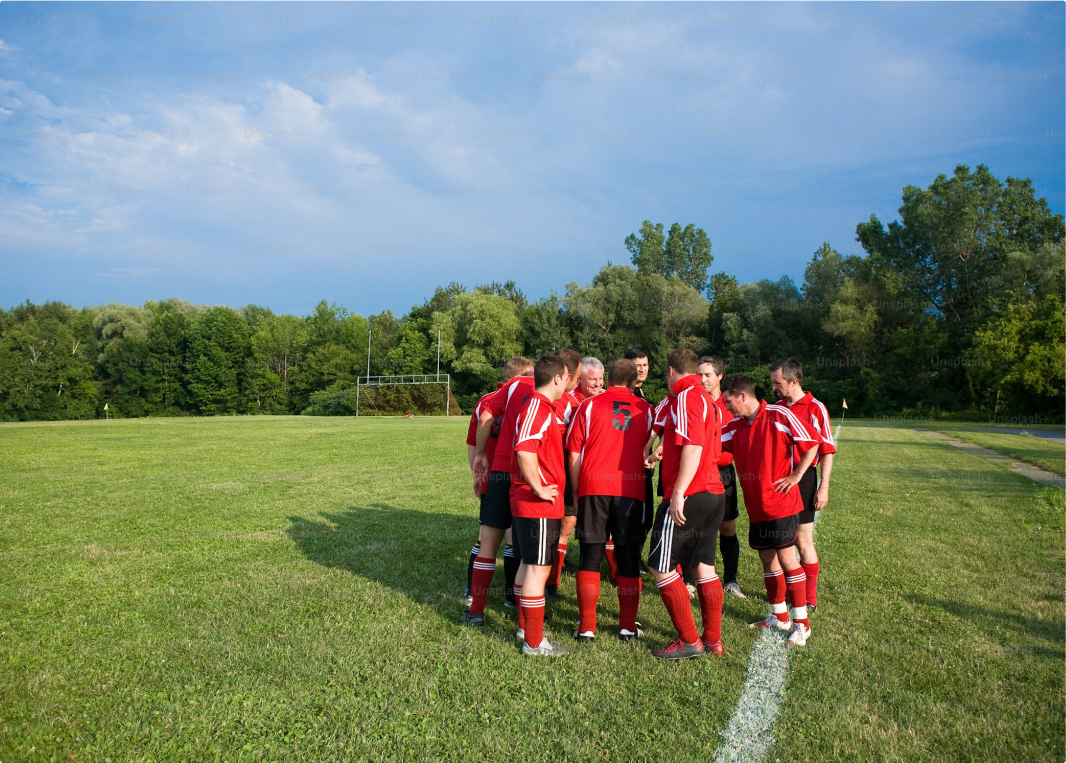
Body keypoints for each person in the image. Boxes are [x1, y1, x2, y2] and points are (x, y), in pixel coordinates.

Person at [720, 374, 820, 647]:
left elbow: (813, 443)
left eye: (728, 401)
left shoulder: (780, 415)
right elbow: (708, 444)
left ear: (742, 396)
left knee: (788, 560)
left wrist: (797, 475)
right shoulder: (734, 427)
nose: (726, 406)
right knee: (767, 559)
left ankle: (802, 625)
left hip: (781, 504)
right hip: (757, 509)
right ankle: (780, 616)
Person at [644, 348, 727, 660]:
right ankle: (713, 640)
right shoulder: (705, 397)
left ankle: (689, 640)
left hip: (691, 492)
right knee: (703, 566)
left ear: (670, 371)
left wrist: (678, 491)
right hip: (713, 491)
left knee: (659, 566)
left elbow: (693, 444)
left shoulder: (686, 396)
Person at [566, 358, 653, 642]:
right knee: (628, 558)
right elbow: (651, 448)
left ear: (608, 379)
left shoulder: (588, 406)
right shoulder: (646, 409)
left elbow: (574, 455)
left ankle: (587, 628)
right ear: (632, 382)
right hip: (630, 492)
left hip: (594, 488)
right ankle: (627, 627)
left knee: (590, 556)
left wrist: (578, 492)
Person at [463, 359, 536, 625]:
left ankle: (475, 603)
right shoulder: (536, 392)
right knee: (515, 543)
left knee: (487, 540)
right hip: (521, 476)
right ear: (524, 375)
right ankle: (514, 604)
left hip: (495, 477)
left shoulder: (487, 400)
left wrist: (478, 471)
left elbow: (473, 439)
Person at [510, 355, 572, 656]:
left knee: (527, 565)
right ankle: (534, 643)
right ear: (558, 378)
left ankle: (525, 628)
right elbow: (524, 450)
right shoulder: (538, 407)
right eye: (567, 377)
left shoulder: (540, 407)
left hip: (529, 504)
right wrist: (538, 487)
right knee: (538, 569)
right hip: (536, 505)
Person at [769, 358, 835, 612]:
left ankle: (809, 598)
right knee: (781, 540)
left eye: (778, 383)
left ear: (794, 381)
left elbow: (826, 450)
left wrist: (824, 487)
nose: (774, 387)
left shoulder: (816, 408)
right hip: (779, 479)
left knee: (803, 540)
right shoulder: (777, 407)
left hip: (804, 478)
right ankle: (787, 593)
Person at [697, 356, 745, 599]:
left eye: (707, 375)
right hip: (697, 472)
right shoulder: (693, 400)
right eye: (700, 374)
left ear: (720, 376)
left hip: (722, 473)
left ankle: (730, 580)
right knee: (696, 527)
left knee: (727, 527)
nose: (702, 379)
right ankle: (691, 579)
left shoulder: (730, 403)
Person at [545, 348, 584, 600]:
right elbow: (575, 447)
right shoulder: (570, 403)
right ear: (568, 374)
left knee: (549, 528)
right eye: (579, 376)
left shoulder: (537, 396)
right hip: (561, 471)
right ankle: (550, 581)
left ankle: (546, 579)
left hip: (538, 471)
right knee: (564, 526)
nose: (579, 382)